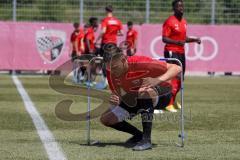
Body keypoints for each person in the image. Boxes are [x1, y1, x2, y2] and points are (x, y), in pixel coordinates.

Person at [100, 47, 181, 151]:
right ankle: (139, 135)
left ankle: (146, 140)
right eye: (110, 69)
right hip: (134, 97)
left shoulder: (142, 62)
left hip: (163, 94)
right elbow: (118, 94)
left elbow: (177, 68)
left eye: (115, 67)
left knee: (143, 92)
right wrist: (114, 99)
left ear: (124, 59)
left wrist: (156, 80)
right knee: (106, 119)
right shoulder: (110, 70)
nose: (113, 71)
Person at [162, 0, 201, 112]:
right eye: (178, 6)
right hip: (171, 51)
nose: (181, 8)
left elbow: (183, 39)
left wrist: (194, 40)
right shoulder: (169, 21)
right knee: (175, 77)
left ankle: (172, 101)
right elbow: (164, 38)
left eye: (182, 6)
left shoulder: (184, 22)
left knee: (181, 78)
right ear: (174, 8)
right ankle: (167, 103)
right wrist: (176, 42)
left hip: (181, 52)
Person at [95, 5, 123, 89]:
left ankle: (105, 81)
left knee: (104, 61)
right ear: (112, 11)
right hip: (114, 43)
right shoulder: (117, 21)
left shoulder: (105, 20)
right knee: (112, 62)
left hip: (106, 42)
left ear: (106, 11)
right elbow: (121, 33)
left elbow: (103, 31)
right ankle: (113, 81)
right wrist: (113, 33)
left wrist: (97, 39)